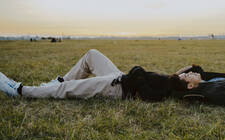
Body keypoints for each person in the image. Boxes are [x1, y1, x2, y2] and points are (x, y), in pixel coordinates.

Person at [0, 49, 172, 101]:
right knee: (92, 55)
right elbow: (186, 72)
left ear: (194, 85)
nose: (191, 73)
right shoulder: (178, 80)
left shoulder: (188, 91)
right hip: (121, 77)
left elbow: (149, 95)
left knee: (68, 89)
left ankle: (21, 91)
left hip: (120, 89)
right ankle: (56, 82)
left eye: (193, 75)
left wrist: (138, 74)